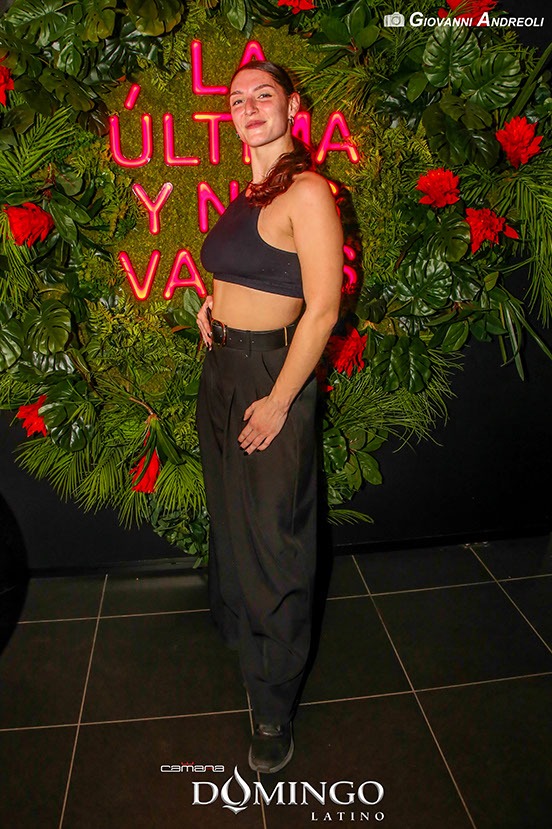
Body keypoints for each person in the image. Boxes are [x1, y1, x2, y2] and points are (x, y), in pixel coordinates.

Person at [195, 58, 344, 774]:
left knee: (274, 541)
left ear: (292, 106)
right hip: (223, 369)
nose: (250, 107)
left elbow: (322, 309)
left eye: (264, 95)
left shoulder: (307, 190)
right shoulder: (251, 194)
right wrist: (212, 305)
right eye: (237, 99)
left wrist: (281, 398)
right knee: (233, 521)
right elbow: (247, 273)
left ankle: (273, 705)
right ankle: (242, 640)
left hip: (268, 376)